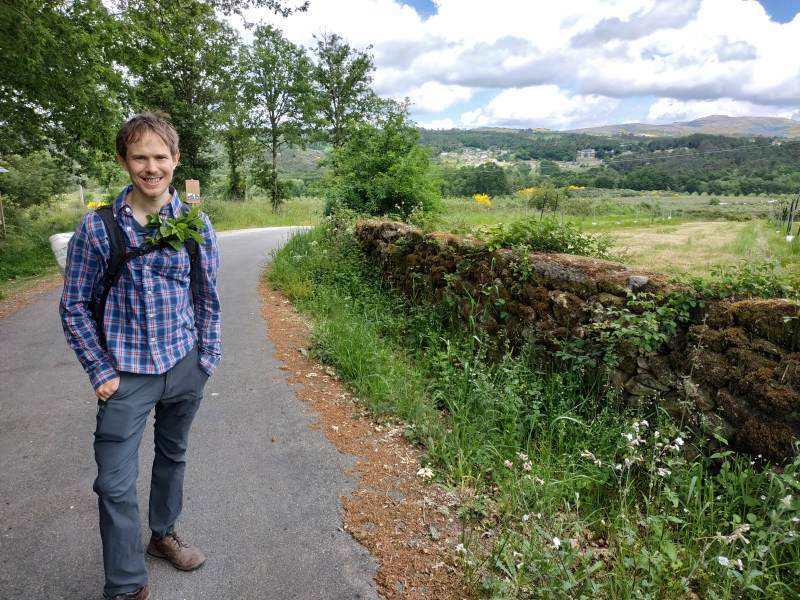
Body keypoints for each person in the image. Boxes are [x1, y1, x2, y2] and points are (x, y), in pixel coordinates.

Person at [59, 112, 222, 600]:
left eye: (159, 157)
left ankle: (163, 535)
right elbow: (74, 307)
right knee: (113, 483)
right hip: (124, 375)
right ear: (124, 161)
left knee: (173, 455)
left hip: (184, 365)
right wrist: (99, 369)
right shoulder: (96, 228)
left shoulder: (195, 223)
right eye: (139, 157)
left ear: (174, 160)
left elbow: (207, 296)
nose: (150, 167)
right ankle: (127, 585)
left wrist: (206, 358)